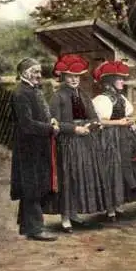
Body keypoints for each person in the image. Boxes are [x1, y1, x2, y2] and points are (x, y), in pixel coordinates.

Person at [48, 54, 106, 233]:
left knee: (81, 177)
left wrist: (92, 124)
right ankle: (65, 218)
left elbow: (94, 116)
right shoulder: (57, 97)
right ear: (64, 77)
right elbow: (54, 123)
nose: (74, 80)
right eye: (70, 77)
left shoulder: (84, 95)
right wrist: (74, 129)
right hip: (67, 143)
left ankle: (74, 215)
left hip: (85, 143)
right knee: (68, 179)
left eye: (77, 77)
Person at [10, 58, 59, 241]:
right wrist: (50, 128)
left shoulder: (33, 90)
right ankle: (36, 229)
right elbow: (27, 125)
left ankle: (28, 227)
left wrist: (51, 120)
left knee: (33, 185)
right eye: (35, 72)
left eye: (39, 71)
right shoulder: (21, 93)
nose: (39, 75)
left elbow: (42, 114)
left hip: (38, 146)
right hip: (28, 148)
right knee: (32, 187)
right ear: (24, 73)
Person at [92, 60, 136, 222]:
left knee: (123, 168)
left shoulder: (121, 98)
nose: (122, 81)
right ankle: (110, 210)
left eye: (122, 78)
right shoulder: (102, 99)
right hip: (109, 138)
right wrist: (119, 122)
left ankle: (119, 205)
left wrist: (129, 123)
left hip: (123, 137)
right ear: (109, 82)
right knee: (111, 170)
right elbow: (101, 121)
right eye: (119, 79)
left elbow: (127, 115)